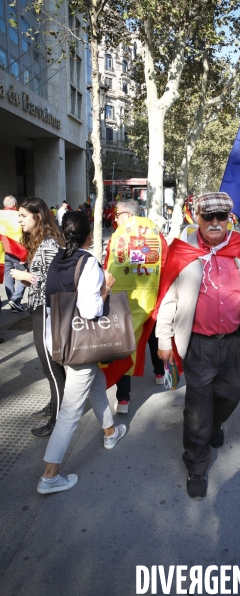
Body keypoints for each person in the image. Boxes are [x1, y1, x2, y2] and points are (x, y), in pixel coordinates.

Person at [155, 192, 240, 499]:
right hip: (200, 345)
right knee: (198, 407)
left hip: (235, 343)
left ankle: (216, 424)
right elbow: (168, 299)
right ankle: (197, 465)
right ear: (197, 218)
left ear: (230, 218)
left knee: (233, 393)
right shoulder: (182, 251)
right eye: (209, 217)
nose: (216, 223)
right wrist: (164, 338)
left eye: (222, 217)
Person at [36, 211, 126, 494]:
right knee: (71, 411)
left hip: (59, 341)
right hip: (81, 345)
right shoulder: (87, 263)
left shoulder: (59, 259)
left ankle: (110, 432)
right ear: (89, 235)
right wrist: (106, 289)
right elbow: (90, 310)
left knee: (95, 383)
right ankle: (50, 476)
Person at [102, 199, 167, 413]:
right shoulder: (155, 233)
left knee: (125, 344)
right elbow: (166, 262)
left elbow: (107, 267)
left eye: (117, 214)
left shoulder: (118, 237)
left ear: (128, 215)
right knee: (151, 334)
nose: (115, 218)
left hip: (123, 300)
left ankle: (123, 399)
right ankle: (159, 373)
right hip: (152, 297)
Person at [8, 198, 66, 437]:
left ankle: (59, 418)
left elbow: (55, 280)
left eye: (23, 216)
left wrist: (26, 276)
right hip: (42, 307)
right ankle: (55, 406)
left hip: (47, 308)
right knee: (49, 366)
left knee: (51, 367)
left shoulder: (49, 243)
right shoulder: (42, 241)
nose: (19, 220)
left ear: (38, 217)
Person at [0, 196, 27, 313]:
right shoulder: (18, 216)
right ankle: (16, 300)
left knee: (9, 277)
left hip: (2, 251)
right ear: (15, 205)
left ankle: (12, 301)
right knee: (24, 274)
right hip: (17, 251)